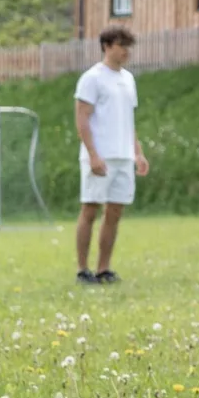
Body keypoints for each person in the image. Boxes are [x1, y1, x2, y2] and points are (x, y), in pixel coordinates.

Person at [74, 26, 149, 285]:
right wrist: (93, 155)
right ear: (107, 46)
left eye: (128, 46)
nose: (126, 51)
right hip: (100, 156)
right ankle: (83, 269)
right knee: (90, 209)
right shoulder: (92, 78)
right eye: (121, 45)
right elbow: (82, 118)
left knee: (115, 212)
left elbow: (128, 120)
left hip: (123, 156)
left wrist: (137, 153)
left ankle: (103, 268)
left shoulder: (128, 79)